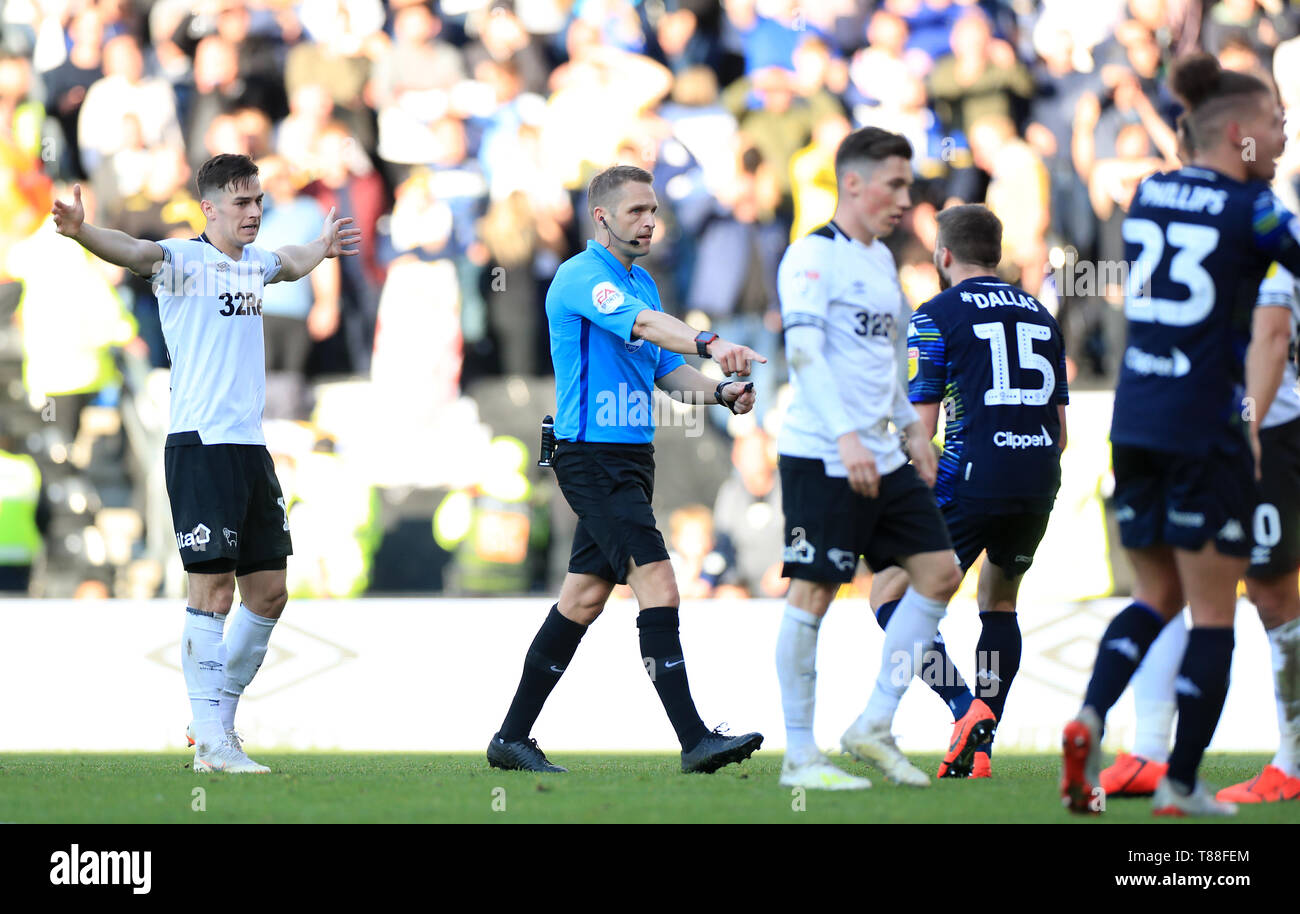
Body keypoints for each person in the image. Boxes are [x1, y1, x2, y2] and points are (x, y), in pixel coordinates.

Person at [50, 154, 360, 773]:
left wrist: (321, 247)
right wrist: (83, 230)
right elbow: (133, 251)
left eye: (259, 203)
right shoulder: (183, 262)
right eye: (242, 203)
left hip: (249, 448)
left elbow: (291, 264)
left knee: (269, 593)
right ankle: (214, 744)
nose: (254, 213)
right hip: (200, 445)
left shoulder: (256, 264)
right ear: (210, 208)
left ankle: (212, 715)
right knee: (212, 590)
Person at [1061, 53, 1300, 816]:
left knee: (1152, 592)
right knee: (1213, 612)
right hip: (1207, 427)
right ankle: (1181, 782)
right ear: (1238, 132)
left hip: (1135, 421)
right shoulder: (1255, 210)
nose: (1283, 133)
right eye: (1273, 123)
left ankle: (1089, 718)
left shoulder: (1149, 195)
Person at [488, 163, 766, 774]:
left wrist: (719, 392)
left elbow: (664, 369)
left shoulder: (643, 285)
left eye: (653, 210)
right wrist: (713, 342)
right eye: (636, 210)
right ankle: (695, 740)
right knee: (659, 582)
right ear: (602, 216)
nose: (649, 222)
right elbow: (646, 328)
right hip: (589, 455)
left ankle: (510, 738)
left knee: (583, 598)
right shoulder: (582, 276)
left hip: (630, 456)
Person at [773, 126, 964, 792]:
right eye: (895, 184)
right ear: (852, 183)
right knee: (814, 592)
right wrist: (847, 434)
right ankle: (800, 756)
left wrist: (913, 426)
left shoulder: (881, 260)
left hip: (882, 451)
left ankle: (874, 724)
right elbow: (803, 354)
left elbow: (885, 360)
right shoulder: (809, 257)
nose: (904, 199)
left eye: (908, 186)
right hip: (823, 453)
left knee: (939, 572)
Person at [868, 204, 1069, 780]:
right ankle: (979, 749)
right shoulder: (1041, 313)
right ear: (997, 253)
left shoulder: (934, 316)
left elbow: (921, 430)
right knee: (1000, 603)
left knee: (888, 594)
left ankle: (963, 707)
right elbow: (1060, 433)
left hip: (970, 477)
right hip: (1036, 478)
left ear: (944, 255)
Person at [1099, 263, 1300, 804]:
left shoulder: (1263, 229)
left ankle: (1293, 759)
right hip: (1194, 429)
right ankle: (1150, 752)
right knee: (1170, 582)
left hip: (1257, 430)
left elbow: (1274, 337)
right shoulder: (1208, 213)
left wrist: (1252, 423)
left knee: (1268, 592)